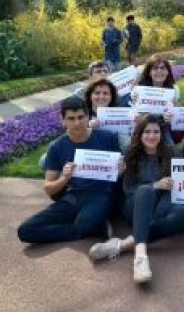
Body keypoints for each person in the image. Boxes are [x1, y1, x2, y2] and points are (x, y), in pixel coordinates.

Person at [88, 115, 184, 283]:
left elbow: (178, 186)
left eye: (156, 132)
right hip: (135, 205)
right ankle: (140, 258)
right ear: (139, 133)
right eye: (147, 132)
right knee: (145, 190)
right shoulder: (130, 153)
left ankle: (122, 245)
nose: (151, 136)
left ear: (161, 133)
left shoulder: (173, 152)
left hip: (161, 205)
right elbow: (129, 190)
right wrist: (155, 185)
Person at [17, 97, 123, 244]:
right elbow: (49, 189)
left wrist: (121, 169)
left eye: (80, 117)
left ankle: (87, 225)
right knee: (25, 230)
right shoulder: (56, 146)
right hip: (73, 196)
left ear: (88, 116)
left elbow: (119, 175)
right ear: (63, 120)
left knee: (85, 223)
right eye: (71, 119)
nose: (77, 123)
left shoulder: (107, 138)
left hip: (101, 194)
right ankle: (94, 228)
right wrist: (64, 178)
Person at [131, 55, 180, 144]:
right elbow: (133, 114)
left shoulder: (174, 89)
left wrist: (172, 112)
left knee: (170, 149)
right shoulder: (138, 90)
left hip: (163, 127)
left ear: (168, 72)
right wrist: (136, 106)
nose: (159, 71)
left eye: (162, 68)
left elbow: (175, 117)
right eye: (155, 68)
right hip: (143, 127)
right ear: (149, 72)